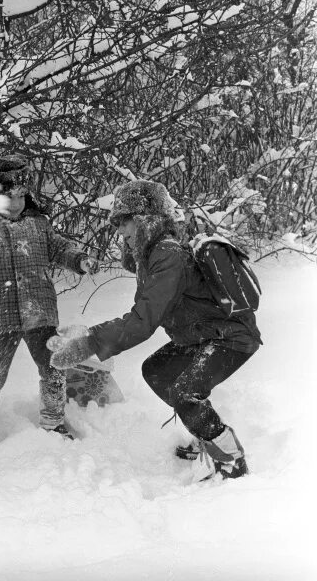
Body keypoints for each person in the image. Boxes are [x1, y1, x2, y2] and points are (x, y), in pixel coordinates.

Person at [46, 180, 261, 480]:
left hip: (230, 337)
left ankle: (231, 460)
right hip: (202, 336)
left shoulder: (168, 255)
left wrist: (91, 341)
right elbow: (142, 313)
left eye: (124, 221)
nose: (120, 231)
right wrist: (90, 335)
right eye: (117, 223)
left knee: (186, 392)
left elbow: (142, 322)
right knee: (157, 369)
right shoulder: (153, 257)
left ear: (145, 219)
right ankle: (203, 432)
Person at [0, 155, 96, 463]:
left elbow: (60, 247)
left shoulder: (39, 225)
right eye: (6, 197)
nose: (14, 203)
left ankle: (53, 421)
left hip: (39, 312)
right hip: (2, 312)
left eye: (19, 196)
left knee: (52, 366)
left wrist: (79, 259)